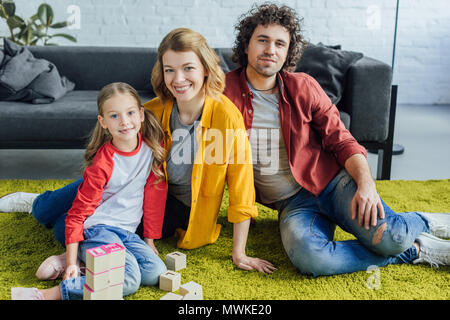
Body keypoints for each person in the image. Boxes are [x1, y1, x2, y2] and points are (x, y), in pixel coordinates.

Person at [1, 28, 275, 286]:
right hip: (127, 186)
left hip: (175, 207)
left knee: (64, 229)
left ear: (205, 69)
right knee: (46, 210)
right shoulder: (153, 110)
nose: (178, 79)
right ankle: (36, 201)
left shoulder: (227, 117)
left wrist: (239, 253)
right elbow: (118, 151)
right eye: (170, 70)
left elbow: (241, 185)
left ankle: (75, 258)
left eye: (188, 68)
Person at [221, 3, 450, 276]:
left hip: (333, 183)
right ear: (246, 45)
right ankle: (416, 251)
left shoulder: (303, 86)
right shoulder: (222, 92)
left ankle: (423, 221)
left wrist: (366, 185)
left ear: (287, 52)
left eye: (280, 44)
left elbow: (342, 140)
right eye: (263, 40)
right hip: (292, 204)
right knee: (312, 259)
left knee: (392, 238)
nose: (271, 49)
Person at [10, 82, 168, 299]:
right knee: (130, 279)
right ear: (103, 122)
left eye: (130, 112)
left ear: (141, 114)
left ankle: (84, 262)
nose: (124, 121)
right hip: (99, 228)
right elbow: (77, 215)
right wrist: (72, 263)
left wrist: (149, 241)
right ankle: (47, 294)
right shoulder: (103, 163)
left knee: (155, 272)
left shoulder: (150, 149)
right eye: (114, 116)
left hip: (127, 232)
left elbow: (154, 198)